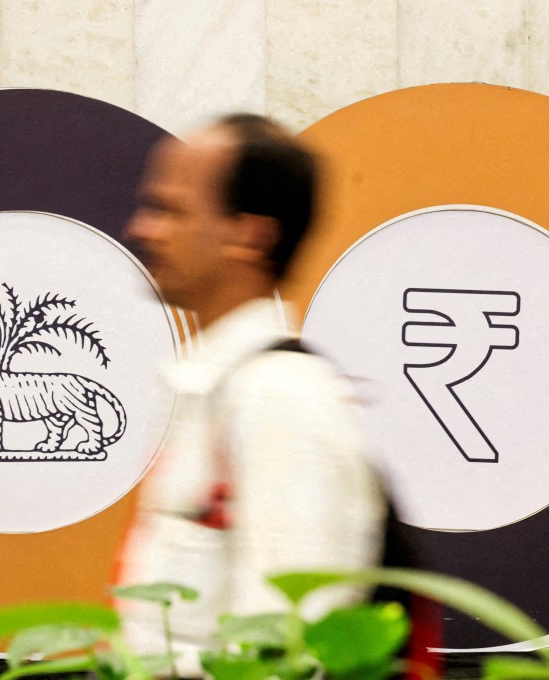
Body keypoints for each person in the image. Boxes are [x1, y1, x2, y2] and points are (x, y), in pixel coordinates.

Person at [117, 113, 387, 674]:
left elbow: (289, 647)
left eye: (171, 210)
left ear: (250, 234)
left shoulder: (280, 398)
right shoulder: (214, 385)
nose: (142, 229)